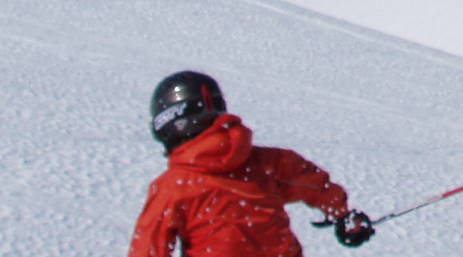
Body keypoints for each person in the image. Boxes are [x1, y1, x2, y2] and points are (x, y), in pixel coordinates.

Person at [128, 71, 375, 256]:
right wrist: (343, 214)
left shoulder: (174, 186)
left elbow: (149, 247)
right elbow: (313, 183)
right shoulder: (266, 163)